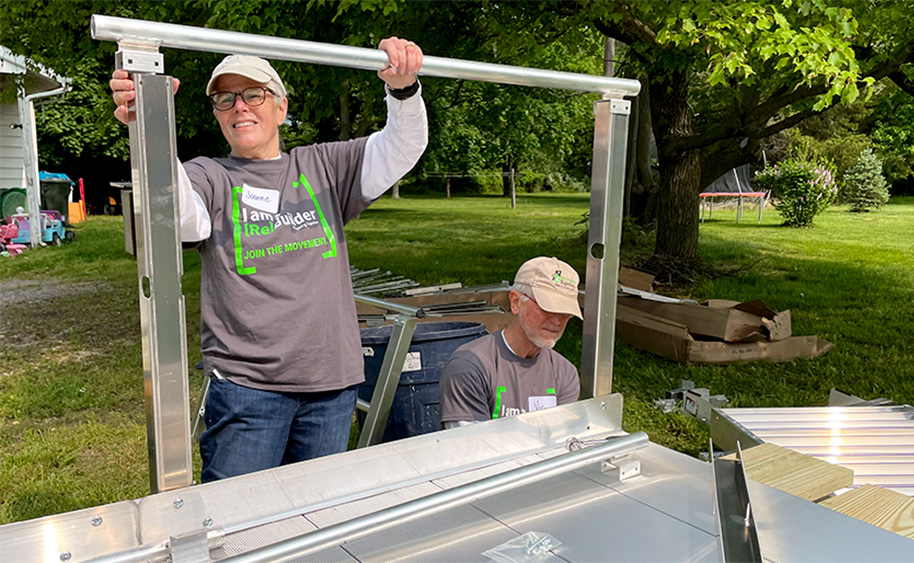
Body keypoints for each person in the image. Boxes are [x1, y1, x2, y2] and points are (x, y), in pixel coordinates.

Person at [110, 38, 427, 482]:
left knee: (313, 520)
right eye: (226, 99)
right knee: (236, 528)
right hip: (247, 392)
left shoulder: (323, 167)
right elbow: (179, 219)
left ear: (280, 108)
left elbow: (402, 147)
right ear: (219, 114)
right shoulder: (210, 175)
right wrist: (146, 127)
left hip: (331, 386)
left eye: (253, 94)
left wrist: (403, 88)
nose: (240, 106)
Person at [439, 256, 582, 428]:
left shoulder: (565, 373)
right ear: (515, 302)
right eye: (548, 308)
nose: (557, 321)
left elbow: (561, 441)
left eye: (565, 312)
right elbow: (471, 447)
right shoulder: (470, 366)